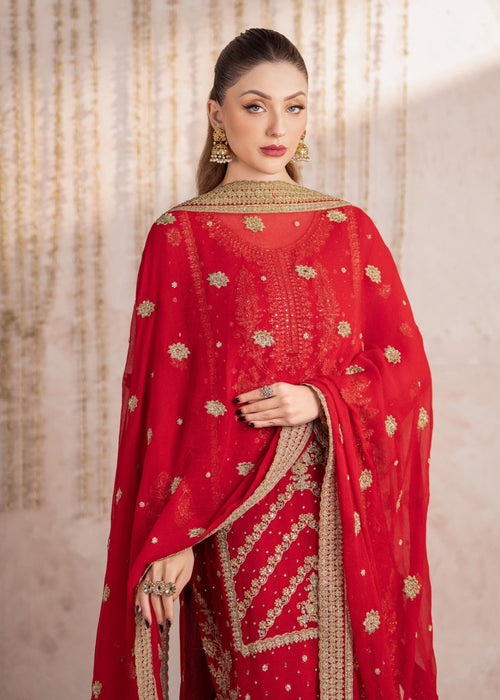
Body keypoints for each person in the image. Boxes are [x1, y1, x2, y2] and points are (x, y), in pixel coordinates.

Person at [91, 28, 437, 700]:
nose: (279, 127)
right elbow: (164, 405)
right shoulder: (179, 236)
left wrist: (322, 398)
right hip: (233, 520)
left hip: (345, 511)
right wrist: (172, 536)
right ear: (217, 115)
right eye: (256, 106)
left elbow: (406, 369)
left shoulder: (349, 228)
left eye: (294, 106)